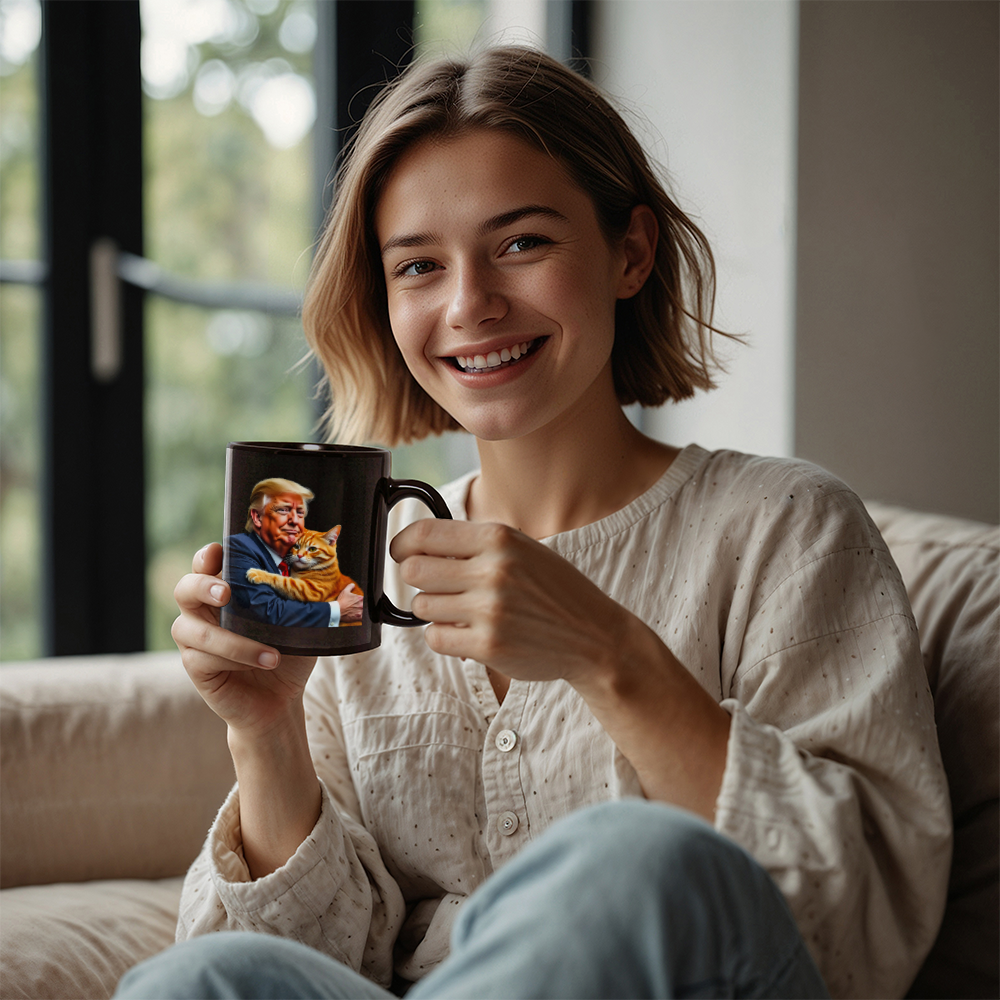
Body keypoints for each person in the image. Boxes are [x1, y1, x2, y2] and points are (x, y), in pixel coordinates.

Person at [125, 46, 951, 1000]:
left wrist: (612, 656)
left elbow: (866, 926)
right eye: (420, 266)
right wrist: (266, 735)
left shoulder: (787, 529)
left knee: (637, 861)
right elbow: (330, 972)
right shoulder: (362, 583)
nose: (470, 304)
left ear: (630, 253)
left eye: (522, 243)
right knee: (212, 976)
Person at [226, 477, 364, 627]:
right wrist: (338, 609)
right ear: (258, 517)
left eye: (300, 513)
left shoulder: (296, 559)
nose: (295, 521)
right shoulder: (239, 547)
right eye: (283, 510)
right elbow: (271, 611)